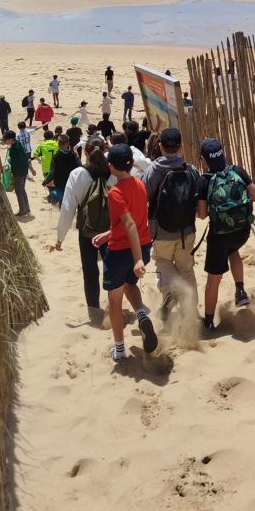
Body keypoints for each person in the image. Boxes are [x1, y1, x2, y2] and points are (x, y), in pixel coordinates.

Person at [91, 143, 158, 361]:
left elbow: (129, 225)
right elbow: (134, 221)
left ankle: (119, 350)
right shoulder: (139, 184)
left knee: (115, 300)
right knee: (130, 284)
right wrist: (108, 233)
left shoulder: (115, 193)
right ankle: (141, 313)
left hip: (122, 252)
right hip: (144, 244)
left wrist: (137, 259)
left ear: (111, 166)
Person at [197, 138, 255, 331]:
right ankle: (240, 291)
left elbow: (202, 214)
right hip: (243, 231)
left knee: (213, 280)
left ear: (203, 159)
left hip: (220, 235)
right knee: (233, 251)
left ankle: (208, 322)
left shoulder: (204, 181)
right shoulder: (238, 170)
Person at [142, 127, 201, 320]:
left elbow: (144, 196)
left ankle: (169, 294)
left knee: (163, 262)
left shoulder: (153, 170)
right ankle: (191, 313)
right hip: (186, 231)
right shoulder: (190, 169)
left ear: (160, 146)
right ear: (181, 147)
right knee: (186, 270)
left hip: (161, 231)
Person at [53, 137, 112, 314]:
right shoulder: (113, 172)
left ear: (85, 153)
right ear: (105, 150)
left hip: (87, 230)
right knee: (111, 267)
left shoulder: (78, 174)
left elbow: (68, 207)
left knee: (89, 268)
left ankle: (93, 308)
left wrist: (60, 237)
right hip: (111, 230)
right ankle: (114, 304)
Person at [42, 132, 80, 205]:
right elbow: (79, 167)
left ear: (58, 144)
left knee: (62, 204)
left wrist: (45, 181)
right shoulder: (74, 155)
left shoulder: (55, 157)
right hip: (72, 183)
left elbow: (52, 172)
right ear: (68, 143)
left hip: (60, 185)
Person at [2, 130, 31, 217]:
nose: (5, 142)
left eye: (6, 140)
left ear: (10, 139)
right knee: (22, 190)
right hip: (24, 171)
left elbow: (14, 162)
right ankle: (27, 208)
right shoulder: (19, 144)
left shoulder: (14, 149)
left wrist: (10, 167)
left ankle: (22, 211)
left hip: (18, 172)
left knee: (18, 191)